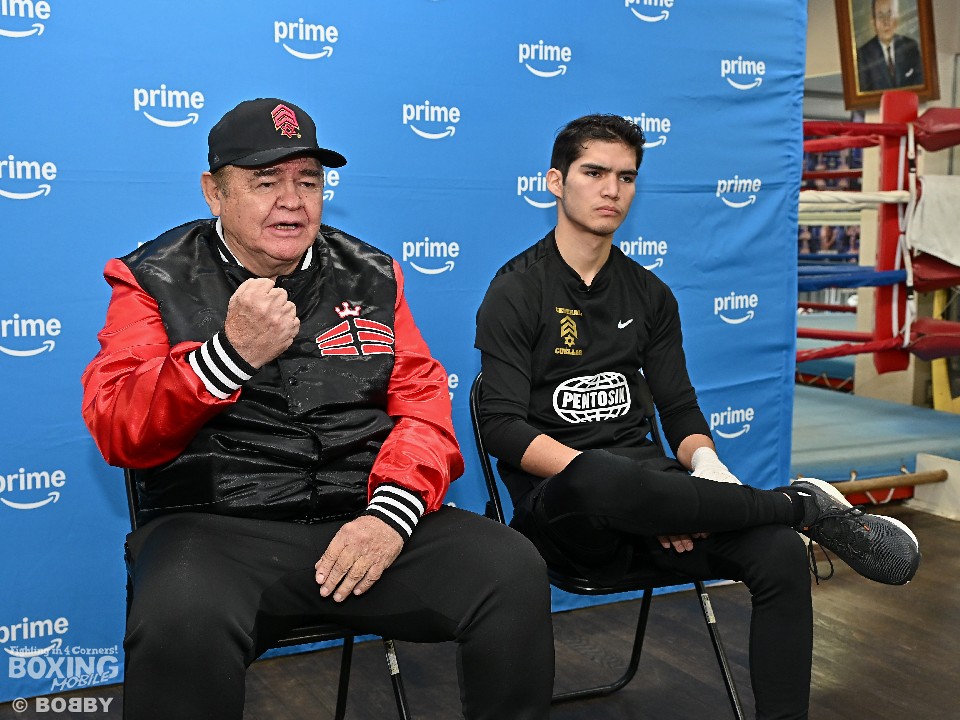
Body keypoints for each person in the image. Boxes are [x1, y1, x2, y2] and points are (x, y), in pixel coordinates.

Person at [81, 97, 554, 720]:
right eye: (265, 182)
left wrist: (390, 516)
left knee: (510, 568)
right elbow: (119, 427)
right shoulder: (151, 276)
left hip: (362, 517)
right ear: (214, 192)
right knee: (179, 619)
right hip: (217, 531)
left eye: (308, 181)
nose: (293, 201)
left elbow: (422, 408)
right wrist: (227, 356)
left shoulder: (374, 273)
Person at [474, 114, 921, 720]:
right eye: (594, 173)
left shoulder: (650, 295)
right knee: (600, 473)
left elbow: (680, 410)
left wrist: (702, 468)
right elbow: (501, 428)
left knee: (779, 554)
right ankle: (800, 506)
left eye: (626, 177)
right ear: (556, 182)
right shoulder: (515, 290)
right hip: (568, 514)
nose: (612, 190)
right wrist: (642, 500)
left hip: (662, 503)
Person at [857, 0, 924, 92]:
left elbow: (920, 85)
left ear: (896, 19)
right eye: (880, 16)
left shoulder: (911, 47)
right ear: (873, 22)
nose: (886, 22)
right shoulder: (863, 55)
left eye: (890, 14)